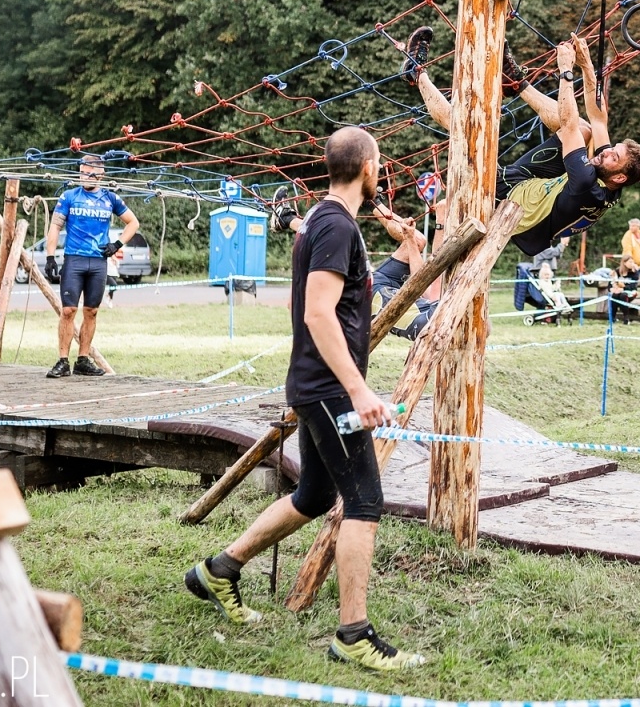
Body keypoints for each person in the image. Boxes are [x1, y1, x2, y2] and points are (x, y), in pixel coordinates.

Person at [185, 127, 424, 668]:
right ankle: (353, 636)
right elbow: (318, 312)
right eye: (379, 163)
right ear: (369, 168)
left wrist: (403, 242)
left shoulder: (322, 219)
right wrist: (358, 390)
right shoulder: (336, 227)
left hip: (316, 386)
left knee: (314, 496)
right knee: (365, 502)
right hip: (331, 391)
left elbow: (344, 297)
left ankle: (217, 570)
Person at [402, 32, 640, 258]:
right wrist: (587, 66)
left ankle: (415, 72)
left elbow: (567, 122)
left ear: (621, 178)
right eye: (613, 149)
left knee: (467, 132)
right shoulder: (609, 175)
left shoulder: (586, 183)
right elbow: (598, 119)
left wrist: (566, 70)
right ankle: (515, 83)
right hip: (538, 187)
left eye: (613, 157)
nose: (606, 153)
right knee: (586, 130)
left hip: (511, 205)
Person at [43, 155, 140, 378]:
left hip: (98, 262)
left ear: (101, 174)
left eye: (91, 173)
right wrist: (50, 257)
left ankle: (83, 360)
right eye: (83, 172)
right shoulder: (69, 196)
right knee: (68, 310)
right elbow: (55, 227)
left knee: (92, 311)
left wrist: (117, 244)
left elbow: (133, 222)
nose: (86, 176)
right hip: (74, 259)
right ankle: (62, 361)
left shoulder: (110, 198)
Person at [368, 201, 438, 341]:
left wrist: (441, 221)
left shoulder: (438, 318)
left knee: (416, 240)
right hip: (391, 289)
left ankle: (372, 202)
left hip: (373, 293)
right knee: (418, 241)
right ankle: (373, 203)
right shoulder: (443, 315)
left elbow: (425, 280)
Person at [515, 236, 568, 311]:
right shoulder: (542, 246)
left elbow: (557, 254)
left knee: (553, 293)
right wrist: (562, 244)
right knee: (545, 296)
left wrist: (563, 245)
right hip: (542, 276)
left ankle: (557, 309)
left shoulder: (548, 246)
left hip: (549, 276)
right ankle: (551, 310)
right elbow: (554, 252)